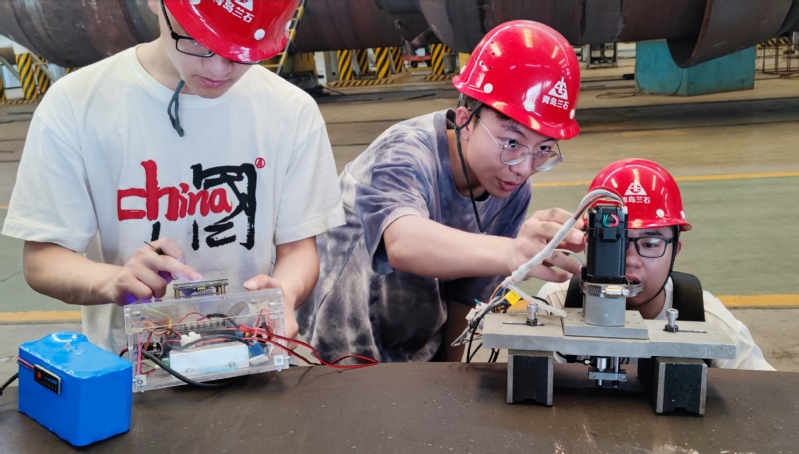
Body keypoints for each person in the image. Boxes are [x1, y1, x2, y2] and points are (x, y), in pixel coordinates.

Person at [1, 0, 344, 355]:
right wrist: (113, 281)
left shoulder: (290, 111)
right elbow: (42, 260)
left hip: (254, 353)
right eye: (196, 39)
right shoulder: (77, 104)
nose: (218, 68)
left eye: (240, 51)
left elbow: (298, 250)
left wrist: (285, 293)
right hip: (128, 363)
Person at [297, 20, 586, 363]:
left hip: (416, 353)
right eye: (512, 142)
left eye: (544, 149)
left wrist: (451, 377)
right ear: (465, 120)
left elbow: (468, 298)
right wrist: (514, 252)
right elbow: (403, 243)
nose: (524, 168)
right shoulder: (404, 152)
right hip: (336, 351)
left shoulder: (512, 188)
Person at [537, 158, 774, 370]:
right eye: (613, 243)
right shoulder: (556, 307)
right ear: (586, 243)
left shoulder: (708, 322)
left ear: (674, 251)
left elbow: (761, 394)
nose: (631, 260)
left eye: (650, 244)